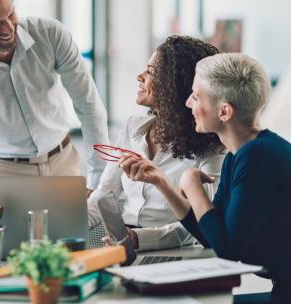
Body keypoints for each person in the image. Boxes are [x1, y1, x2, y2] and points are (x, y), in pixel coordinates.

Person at [120, 53, 291, 301]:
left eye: (196, 96)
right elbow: (211, 235)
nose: (188, 103)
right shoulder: (240, 154)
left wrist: (193, 186)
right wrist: (162, 182)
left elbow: (228, 251)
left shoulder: (258, 157)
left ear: (224, 112)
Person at [0, 0, 109, 193]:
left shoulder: (50, 33)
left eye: (11, 14)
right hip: (7, 171)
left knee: (72, 224)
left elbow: (89, 106)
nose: (9, 28)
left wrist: (99, 181)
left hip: (63, 160)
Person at [88, 36, 225, 251]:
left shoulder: (211, 146)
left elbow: (203, 226)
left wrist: (139, 239)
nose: (139, 76)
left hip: (180, 252)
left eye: (150, 72)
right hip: (125, 245)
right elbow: (105, 195)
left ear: (175, 85)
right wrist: (59, 226)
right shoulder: (132, 128)